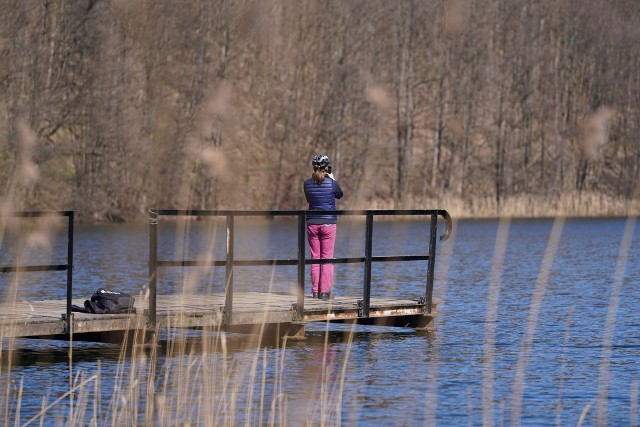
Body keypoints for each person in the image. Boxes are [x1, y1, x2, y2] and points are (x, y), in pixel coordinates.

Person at [303, 154, 343, 300]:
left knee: (315, 258)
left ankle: (315, 291)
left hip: (312, 223)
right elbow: (340, 194)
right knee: (327, 258)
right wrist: (332, 179)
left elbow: (309, 199)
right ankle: (325, 293)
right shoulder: (331, 183)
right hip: (328, 223)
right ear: (326, 168)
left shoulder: (307, 183)